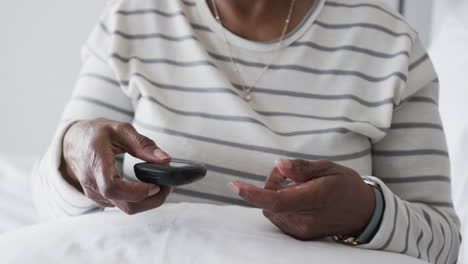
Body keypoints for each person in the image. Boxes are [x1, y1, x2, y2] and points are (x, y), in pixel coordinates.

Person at [32, 0, 461, 263]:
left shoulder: (390, 43)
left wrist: (366, 214)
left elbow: (442, 243)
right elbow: (51, 204)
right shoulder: (133, 17)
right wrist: (72, 160)